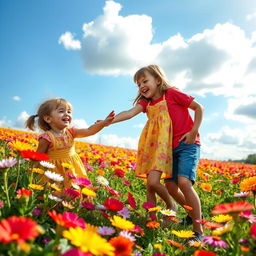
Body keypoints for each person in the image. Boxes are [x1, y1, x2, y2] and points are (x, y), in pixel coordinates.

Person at [110, 65, 204, 240]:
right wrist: (108, 122)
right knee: (170, 187)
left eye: (145, 81)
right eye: (138, 84)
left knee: (184, 183)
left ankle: (198, 231)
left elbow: (198, 107)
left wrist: (193, 132)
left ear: (158, 80)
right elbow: (130, 113)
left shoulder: (172, 94)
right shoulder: (147, 103)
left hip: (188, 144)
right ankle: (192, 214)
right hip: (167, 149)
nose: (141, 86)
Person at [26, 98, 115, 186]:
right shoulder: (46, 138)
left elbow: (89, 130)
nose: (67, 114)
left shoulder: (71, 132)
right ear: (48, 119)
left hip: (73, 169)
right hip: (54, 173)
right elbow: (36, 159)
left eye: (69, 112)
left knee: (74, 191)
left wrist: (103, 123)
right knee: (58, 193)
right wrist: (30, 176)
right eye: (61, 111)